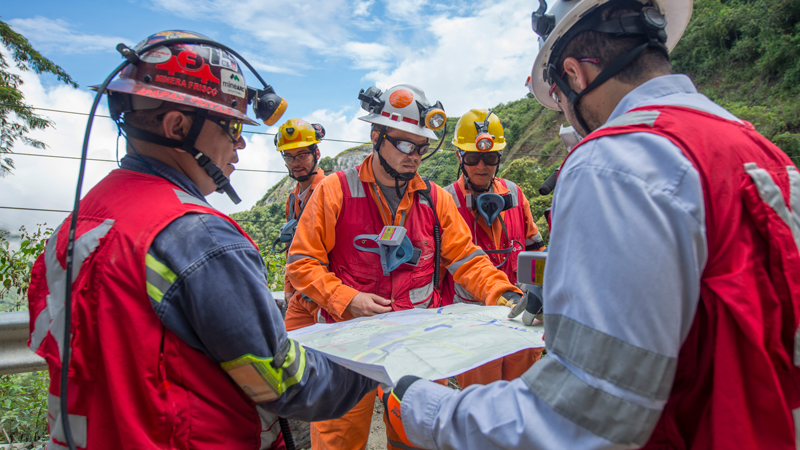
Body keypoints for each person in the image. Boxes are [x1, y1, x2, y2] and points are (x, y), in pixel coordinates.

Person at [379, 0, 800, 449]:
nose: (565, 115)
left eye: (558, 99)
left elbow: (582, 417)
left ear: (574, 75)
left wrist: (430, 412)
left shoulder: (612, 162)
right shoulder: (767, 156)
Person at [26, 31, 375, 450]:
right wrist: (377, 364)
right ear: (177, 126)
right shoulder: (201, 237)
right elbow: (281, 380)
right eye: (231, 126)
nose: (241, 143)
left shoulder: (79, 223)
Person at [285, 84, 527, 450]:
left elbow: (467, 259)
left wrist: (503, 291)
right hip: (349, 344)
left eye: (421, 147)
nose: (414, 155)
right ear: (375, 136)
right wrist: (347, 299)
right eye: (404, 145)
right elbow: (302, 263)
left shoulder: (435, 199)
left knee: (419, 438)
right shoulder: (336, 190)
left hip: (417, 343)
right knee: (338, 440)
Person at [441, 109, 546, 387]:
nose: (481, 166)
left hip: (519, 311)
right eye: (472, 157)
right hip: (470, 320)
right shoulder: (445, 201)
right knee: (481, 403)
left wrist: (542, 291)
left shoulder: (515, 193)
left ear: (499, 157)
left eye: (490, 157)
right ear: (459, 158)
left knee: (523, 397)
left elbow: (535, 247)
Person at [272, 118, 327, 320]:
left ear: (316, 153)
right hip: (301, 293)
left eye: (302, 155)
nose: (295, 163)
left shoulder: (330, 190)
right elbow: (292, 249)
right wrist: (288, 286)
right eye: (289, 157)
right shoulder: (293, 199)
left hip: (325, 292)